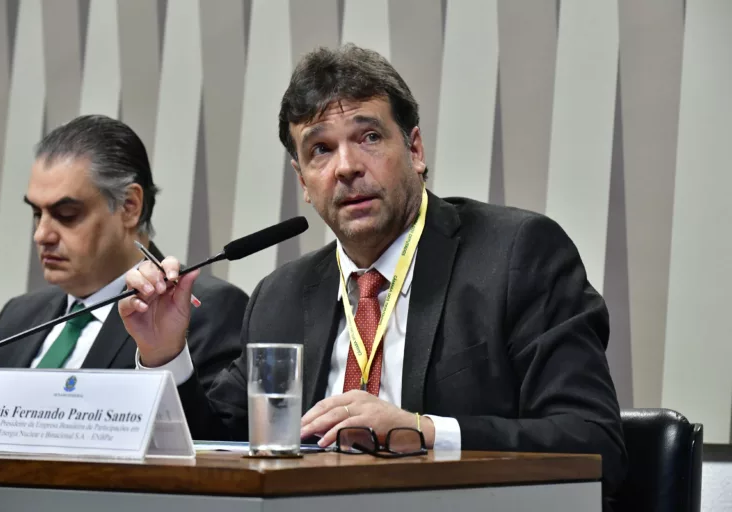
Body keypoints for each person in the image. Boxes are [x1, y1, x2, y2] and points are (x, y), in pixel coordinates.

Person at [120, 45, 627, 504]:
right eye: (320, 149)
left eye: (368, 136)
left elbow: (593, 440)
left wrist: (418, 432)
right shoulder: (281, 297)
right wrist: (165, 353)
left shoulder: (516, 256)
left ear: (415, 151)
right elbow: (218, 449)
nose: (346, 167)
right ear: (302, 179)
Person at [0, 115, 248, 394]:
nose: (42, 235)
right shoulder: (17, 317)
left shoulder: (206, 310)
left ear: (129, 206)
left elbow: (206, 435)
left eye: (66, 215)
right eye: (37, 214)